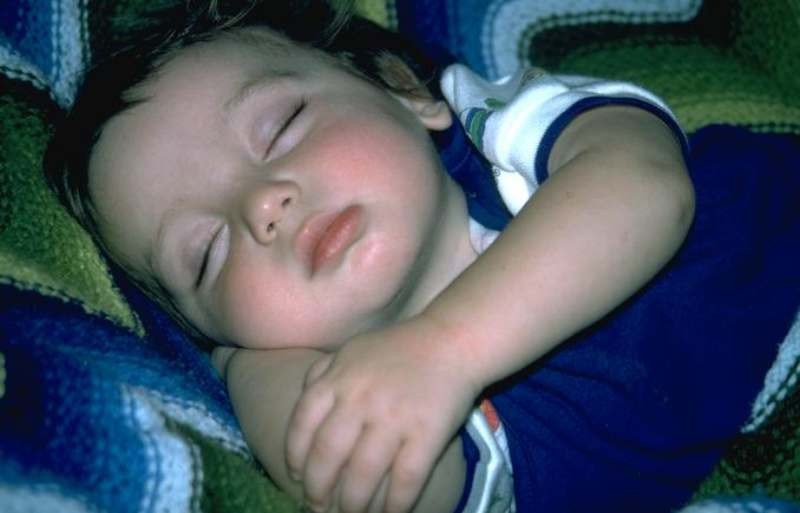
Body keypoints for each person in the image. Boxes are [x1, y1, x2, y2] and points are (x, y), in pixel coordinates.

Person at [44, 1, 800, 512]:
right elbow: (361, 481)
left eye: (281, 126)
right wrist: (250, 371)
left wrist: (445, 349)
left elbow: (645, 189)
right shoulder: (401, 412)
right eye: (206, 253)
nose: (262, 205)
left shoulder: (504, 136)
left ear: (405, 91)